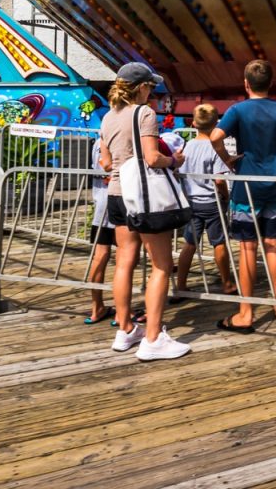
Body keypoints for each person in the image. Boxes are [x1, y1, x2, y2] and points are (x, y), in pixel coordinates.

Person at [210, 60, 276, 333]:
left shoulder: (237, 110)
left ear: (246, 84)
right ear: (271, 83)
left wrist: (229, 159)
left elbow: (214, 137)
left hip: (246, 186)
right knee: (274, 244)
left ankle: (245, 313)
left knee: (248, 247)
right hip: (274, 184)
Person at [98, 62, 190, 360]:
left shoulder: (108, 118)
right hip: (143, 196)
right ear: (140, 88)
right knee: (162, 265)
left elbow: (107, 163)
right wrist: (173, 159)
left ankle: (125, 330)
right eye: (150, 87)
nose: (153, 92)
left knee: (125, 261)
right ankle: (153, 339)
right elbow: (152, 159)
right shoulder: (145, 113)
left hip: (116, 194)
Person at [171, 104, 235, 302]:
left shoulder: (187, 146)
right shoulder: (215, 148)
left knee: (190, 244)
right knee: (219, 243)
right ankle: (227, 283)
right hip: (212, 202)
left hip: (192, 202)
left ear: (193, 123)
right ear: (217, 124)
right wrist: (225, 196)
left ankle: (181, 284)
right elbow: (219, 179)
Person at [84, 138, 115, 325]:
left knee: (100, 255)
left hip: (100, 205)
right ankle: (122, 312)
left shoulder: (97, 141)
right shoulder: (119, 139)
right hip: (119, 202)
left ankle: (97, 306)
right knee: (127, 258)